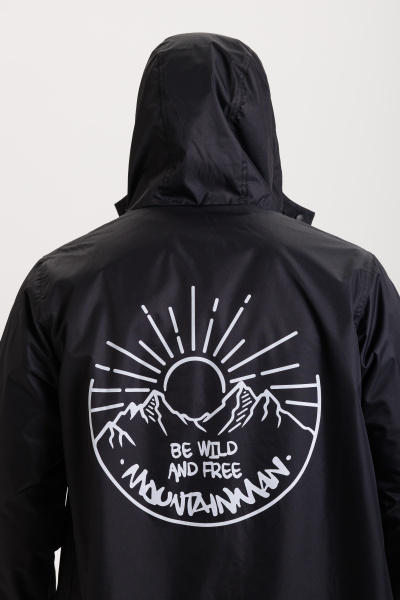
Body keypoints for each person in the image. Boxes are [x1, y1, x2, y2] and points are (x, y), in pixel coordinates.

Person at [0, 32, 399, 600]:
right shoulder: (349, 281)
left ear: (147, 127)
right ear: (261, 125)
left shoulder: (62, 285)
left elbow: (14, 510)